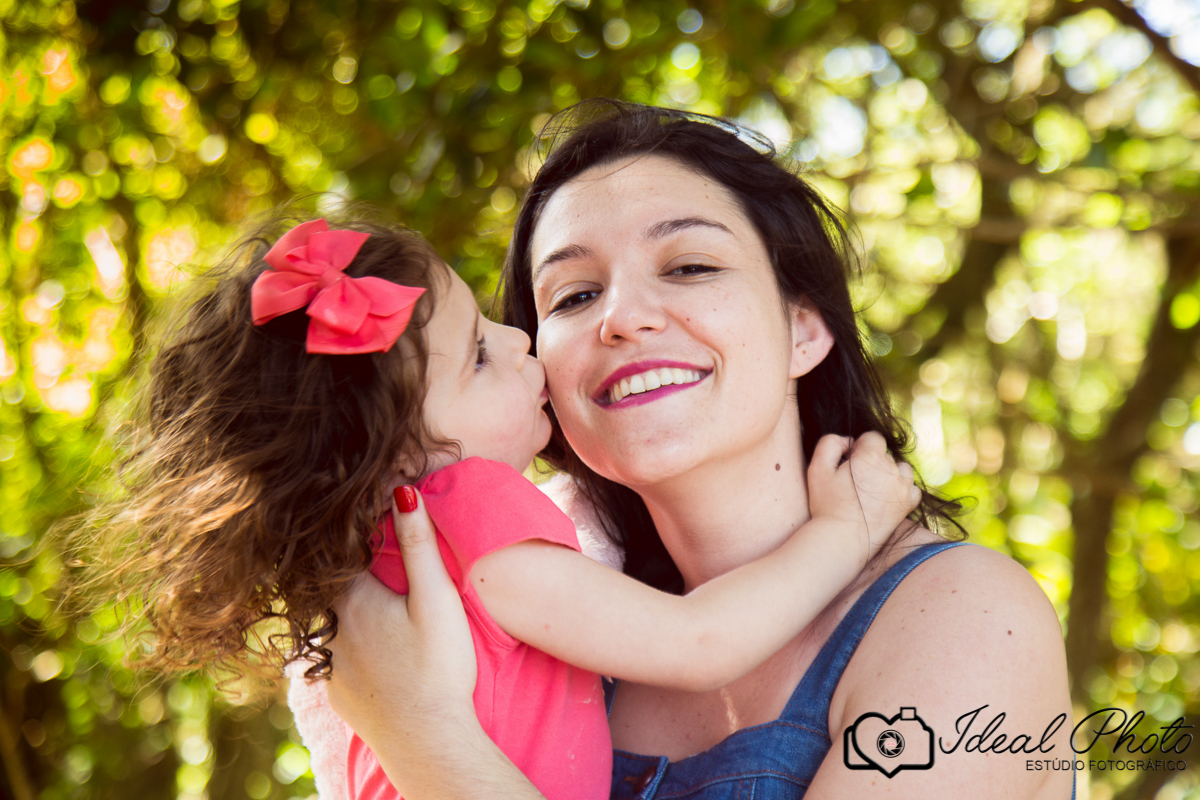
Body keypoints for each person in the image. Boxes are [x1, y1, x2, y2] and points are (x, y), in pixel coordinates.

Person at [323, 102, 1074, 799]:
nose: (621, 318)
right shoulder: (553, 637)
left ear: (805, 330)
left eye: (689, 266)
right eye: (575, 296)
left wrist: (426, 740)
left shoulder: (964, 614)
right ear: (544, 380)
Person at [85, 211, 921, 800]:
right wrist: (846, 529)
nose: (521, 341)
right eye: (481, 355)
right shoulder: (466, 508)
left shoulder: (389, 557)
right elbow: (700, 641)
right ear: (397, 452)